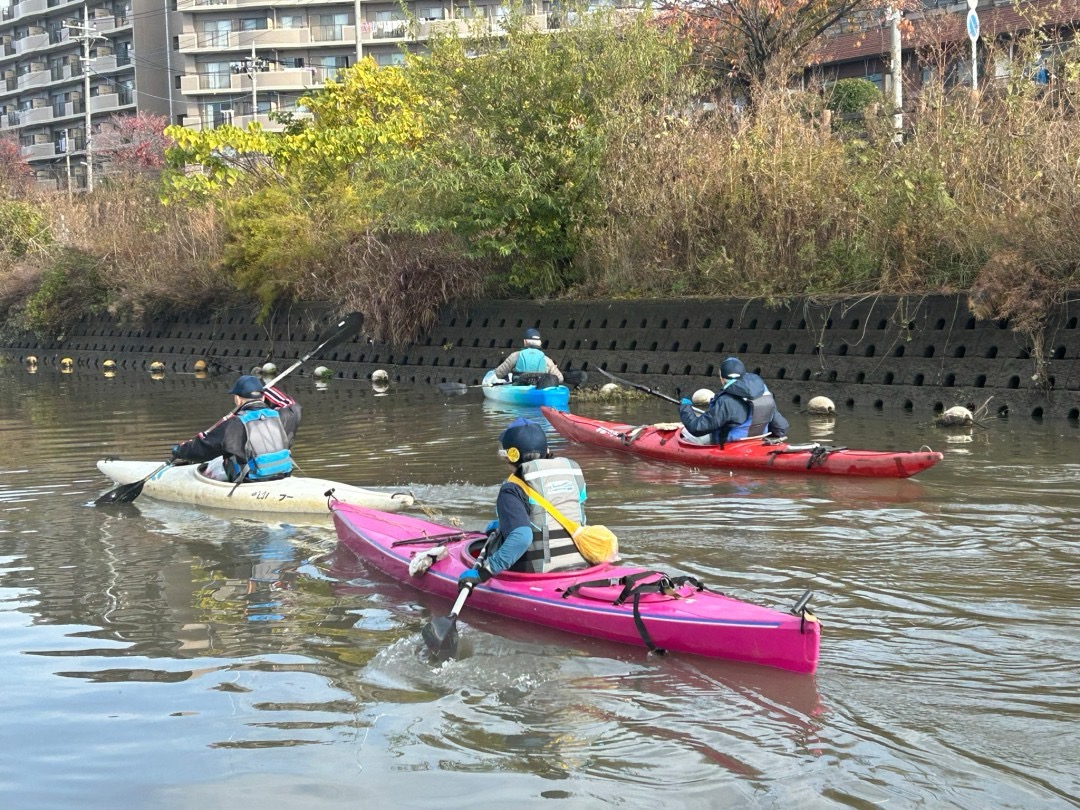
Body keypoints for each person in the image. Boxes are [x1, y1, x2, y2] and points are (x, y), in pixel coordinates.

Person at [458, 419, 588, 586]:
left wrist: (483, 573)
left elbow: (521, 538)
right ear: (546, 450)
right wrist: (506, 525)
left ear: (511, 456)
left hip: (538, 575)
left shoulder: (512, 489)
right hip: (581, 566)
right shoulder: (573, 475)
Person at [171, 374, 302, 482]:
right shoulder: (281, 416)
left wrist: (180, 450)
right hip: (283, 473)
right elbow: (292, 405)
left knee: (218, 456)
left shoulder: (233, 423)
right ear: (263, 397)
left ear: (237, 399)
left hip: (250, 479)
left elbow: (203, 448)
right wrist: (265, 389)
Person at [677, 357, 788, 447]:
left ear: (722, 378)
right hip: (758, 442)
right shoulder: (764, 392)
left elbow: (696, 428)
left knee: (684, 432)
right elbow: (781, 427)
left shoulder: (726, 400)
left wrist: (685, 407)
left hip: (730, 445)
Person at [492, 328, 563, 384]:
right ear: (539, 343)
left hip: (519, 389)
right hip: (539, 389)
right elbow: (560, 379)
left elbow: (498, 373)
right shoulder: (546, 359)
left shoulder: (515, 356)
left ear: (525, 342)